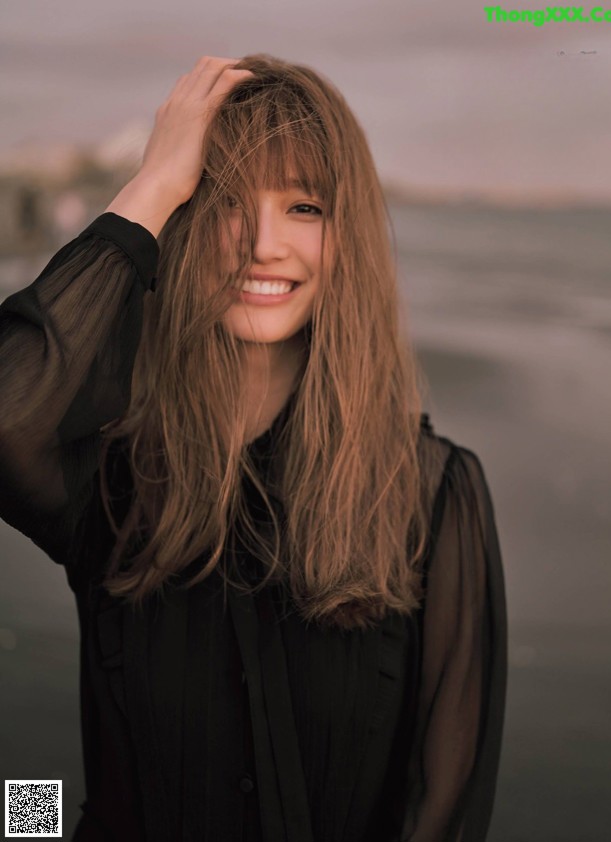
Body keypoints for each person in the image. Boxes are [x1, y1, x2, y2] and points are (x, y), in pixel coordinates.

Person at [0, 54, 508, 842]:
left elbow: (444, 806)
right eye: (227, 201)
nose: (265, 244)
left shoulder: (435, 495)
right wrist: (151, 189)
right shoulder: (112, 478)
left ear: (349, 236)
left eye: (305, 206)